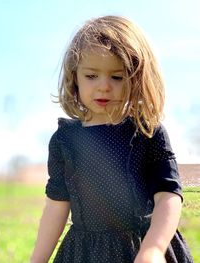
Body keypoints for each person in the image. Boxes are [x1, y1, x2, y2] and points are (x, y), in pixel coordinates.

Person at [30, 15, 194, 263]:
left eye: (117, 77)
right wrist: (37, 259)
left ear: (136, 77)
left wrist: (154, 248)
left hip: (142, 247)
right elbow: (56, 205)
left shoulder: (147, 131)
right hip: (86, 253)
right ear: (75, 76)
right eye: (91, 76)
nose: (104, 86)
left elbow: (168, 196)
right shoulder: (65, 140)